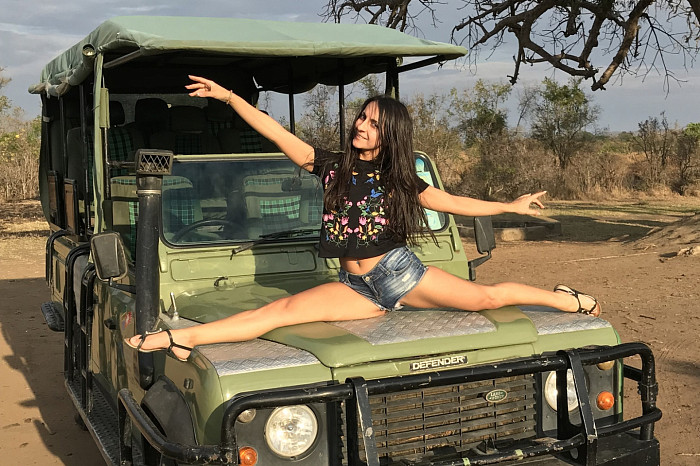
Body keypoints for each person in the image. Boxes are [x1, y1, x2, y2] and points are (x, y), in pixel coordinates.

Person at [126, 75, 601, 362]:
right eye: (362, 117)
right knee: (278, 314)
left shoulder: (399, 177)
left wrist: (509, 206)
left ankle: (569, 300)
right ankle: (182, 338)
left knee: (487, 298)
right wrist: (230, 97)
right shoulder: (330, 165)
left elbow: (451, 202)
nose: (361, 125)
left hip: (399, 274)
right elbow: (276, 133)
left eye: (374, 123)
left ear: (388, 133)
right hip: (355, 288)